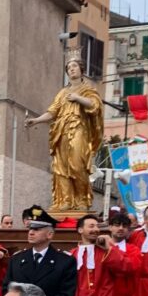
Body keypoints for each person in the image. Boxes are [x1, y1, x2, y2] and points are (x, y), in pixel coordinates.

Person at [25, 56, 104, 211]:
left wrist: (78, 98)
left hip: (79, 128)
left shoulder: (88, 90)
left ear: (81, 69)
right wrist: (36, 121)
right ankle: (66, 200)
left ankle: (82, 200)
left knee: (76, 163)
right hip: (61, 130)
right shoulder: (62, 93)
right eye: (69, 68)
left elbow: (95, 105)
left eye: (74, 66)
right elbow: (52, 112)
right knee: (60, 166)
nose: (71, 69)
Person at [2, 206, 76, 296]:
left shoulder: (65, 261)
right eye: (30, 229)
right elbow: (7, 289)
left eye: (37, 229)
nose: (31, 232)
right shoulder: (17, 260)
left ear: (50, 234)